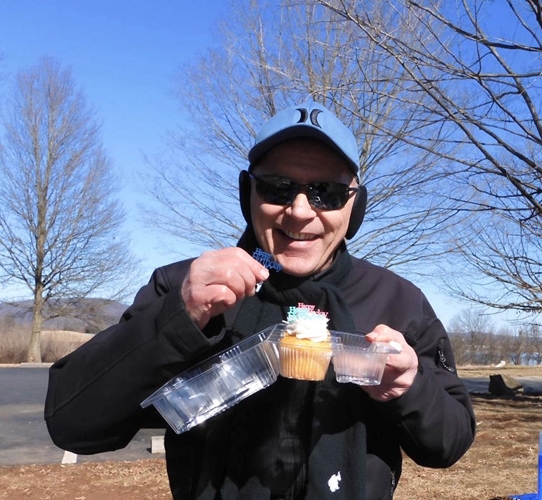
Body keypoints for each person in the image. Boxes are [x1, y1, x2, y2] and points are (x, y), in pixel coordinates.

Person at [45, 100, 476, 500]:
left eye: (326, 192)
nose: (301, 211)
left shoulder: (398, 301)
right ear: (247, 193)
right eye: (278, 187)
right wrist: (177, 320)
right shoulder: (186, 290)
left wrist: (409, 388)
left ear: (354, 206)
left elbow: (448, 443)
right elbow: (73, 425)